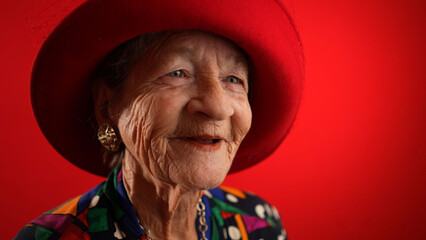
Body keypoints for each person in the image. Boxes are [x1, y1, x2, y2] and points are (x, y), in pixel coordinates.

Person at [15, 0, 304, 239]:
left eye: (233, 79)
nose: (218, 107)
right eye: (177, 73)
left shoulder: (259, 225)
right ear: (106, 107)